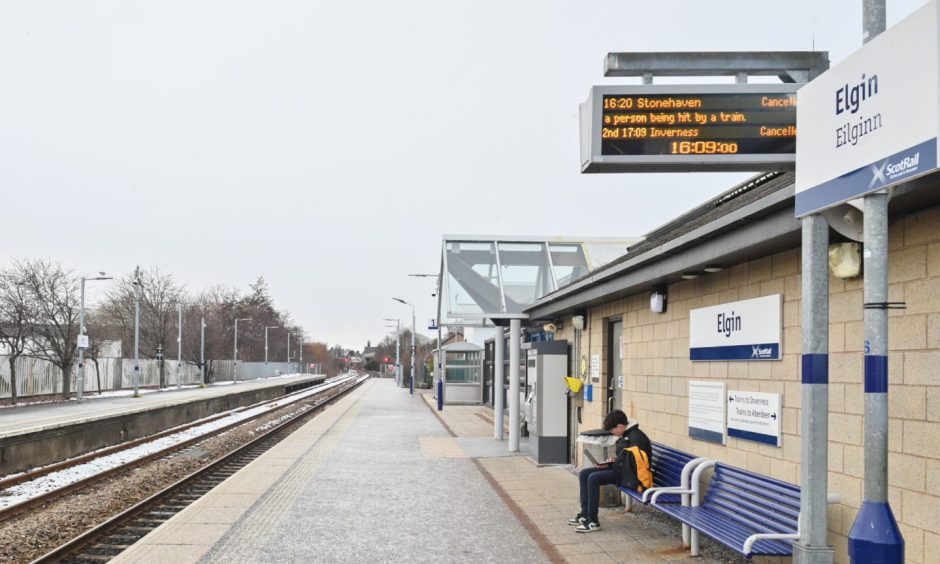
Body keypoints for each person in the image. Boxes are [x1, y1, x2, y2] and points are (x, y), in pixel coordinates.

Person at [568, 409, 652, 533]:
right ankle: (585, 514)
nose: (612, 433)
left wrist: (614, 463)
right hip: (624, 470)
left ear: (620, 426)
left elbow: (636, 465)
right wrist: (612, 462)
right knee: (584, 473)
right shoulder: (627, 434)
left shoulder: (636, 438)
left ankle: (593, 521)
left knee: (593, 478)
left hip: (632, 476)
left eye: (612, 430)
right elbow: (627, 458)